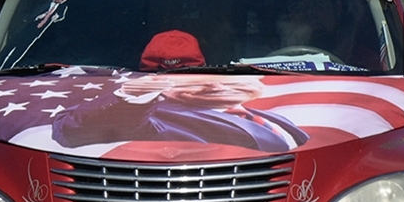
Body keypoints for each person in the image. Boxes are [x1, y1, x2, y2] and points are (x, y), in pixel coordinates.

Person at [51, 73, 309, 152]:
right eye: (193, 81)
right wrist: (132, 96)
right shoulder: (153, 114)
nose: (216, 83)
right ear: (163, 87)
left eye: (231, 77)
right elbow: (71, 130)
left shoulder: (277, 117)